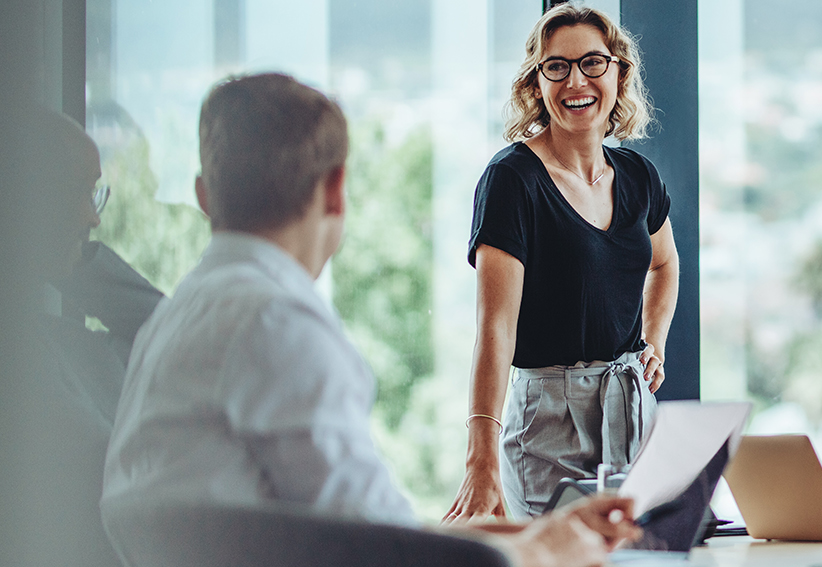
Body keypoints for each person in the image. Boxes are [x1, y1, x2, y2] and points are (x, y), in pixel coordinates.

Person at [99, 73, 637, 567]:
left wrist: (531, 533)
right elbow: (384, 555)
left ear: (204, 196)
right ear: (336, 192)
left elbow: (372, 529)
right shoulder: (277, 325)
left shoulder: (174, 319)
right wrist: (540, 554)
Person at [447, 4, 679, 521]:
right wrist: (479, 457)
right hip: (549, 419)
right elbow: (495, 328)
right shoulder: (512, 180)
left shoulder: (639, 176)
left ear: (619, 72)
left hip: (632, 409)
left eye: (593, 62)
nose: (576, 80)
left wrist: (654, 341)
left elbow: (664, 265)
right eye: (557, 66)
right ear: (536, 82)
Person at [0, 106, 161, 567]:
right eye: (79, 194)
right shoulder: (23, 355)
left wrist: (73, 261)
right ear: (22, 195)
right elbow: (111, 477)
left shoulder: (59, 339)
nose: (94, 219)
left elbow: (166, 334)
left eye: (96, 195)